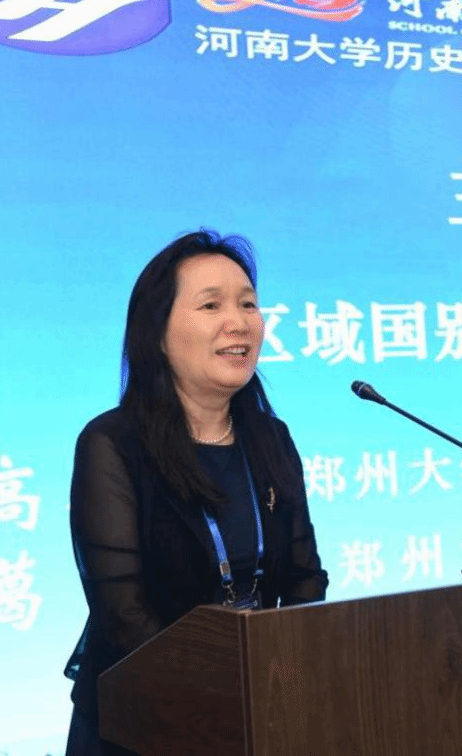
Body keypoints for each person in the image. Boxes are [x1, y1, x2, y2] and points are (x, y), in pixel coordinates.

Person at [63, 230, 329, 755]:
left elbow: (304, 577)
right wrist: (218, 704)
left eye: (248, 304)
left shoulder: (270, 438)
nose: (239, 322)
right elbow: (124, 614)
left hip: (262, 712)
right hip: (147, 724)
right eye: (211, 305)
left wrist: (287, 689)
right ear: (157, 334)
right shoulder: (112, 444)